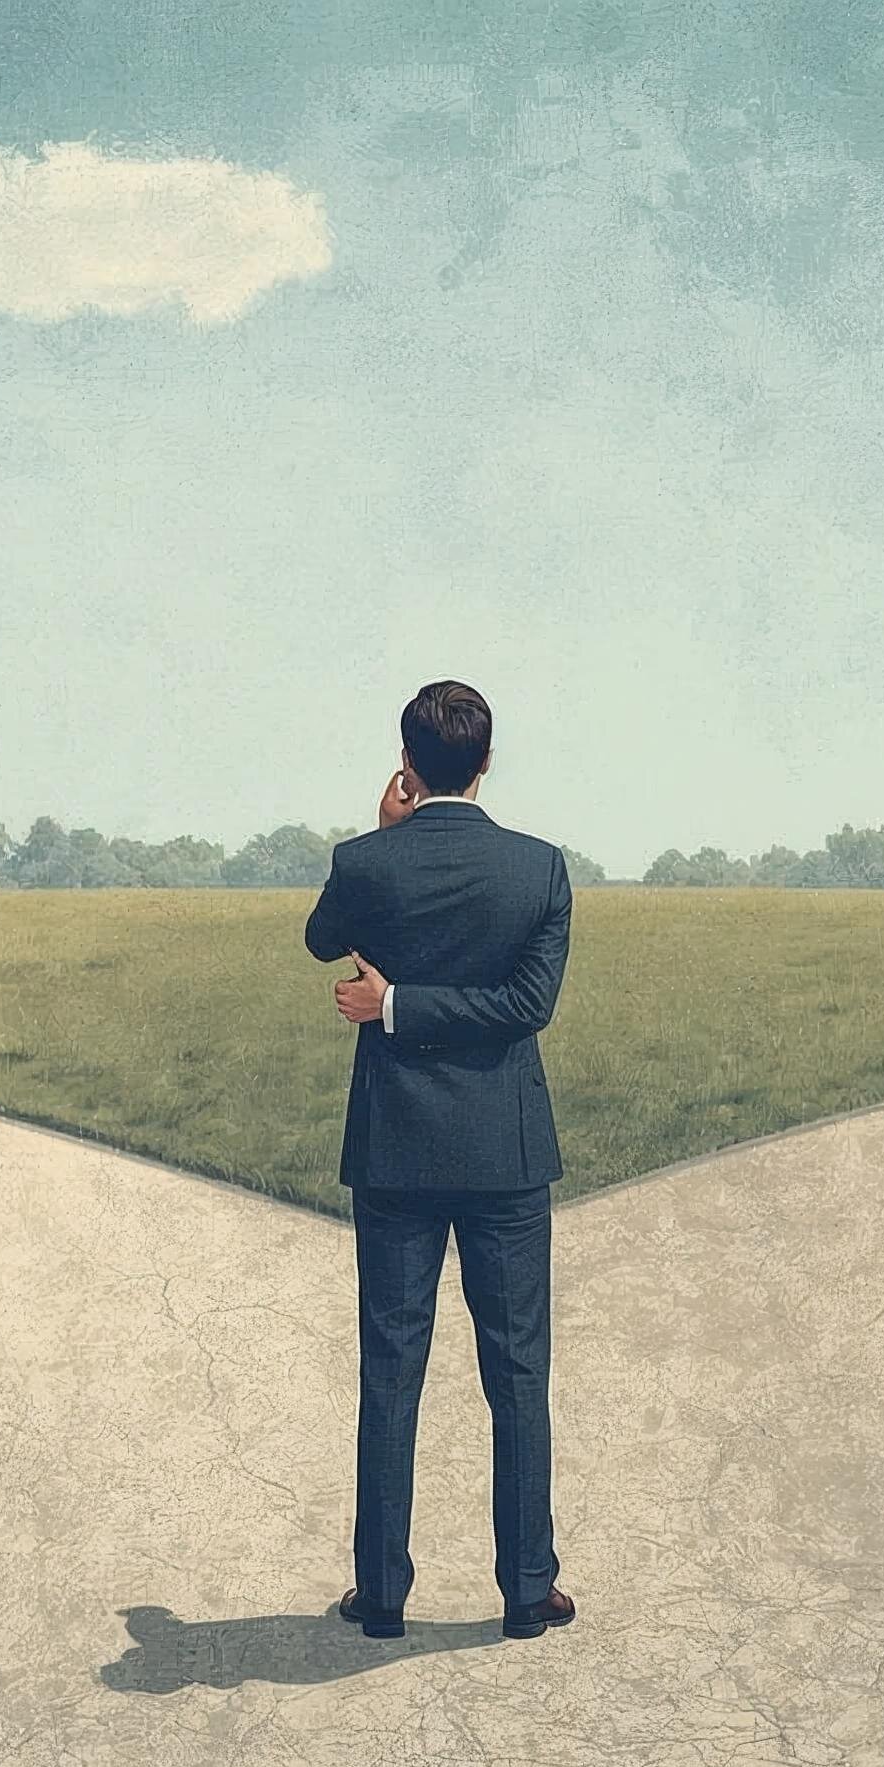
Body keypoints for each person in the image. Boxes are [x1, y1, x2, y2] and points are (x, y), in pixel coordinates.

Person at [304, 678, 577, 1643]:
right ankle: (525, 1591)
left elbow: (319, 939)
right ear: (489, 761)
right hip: (504, 1157)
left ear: (408, 761)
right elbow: (526, 1008)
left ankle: (381, 1595)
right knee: (519, 1375)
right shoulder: (539, 870)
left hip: (395, 1152)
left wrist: (395, 1005)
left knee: (391, 1371)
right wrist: (417, 1003)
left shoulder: (367, 862)